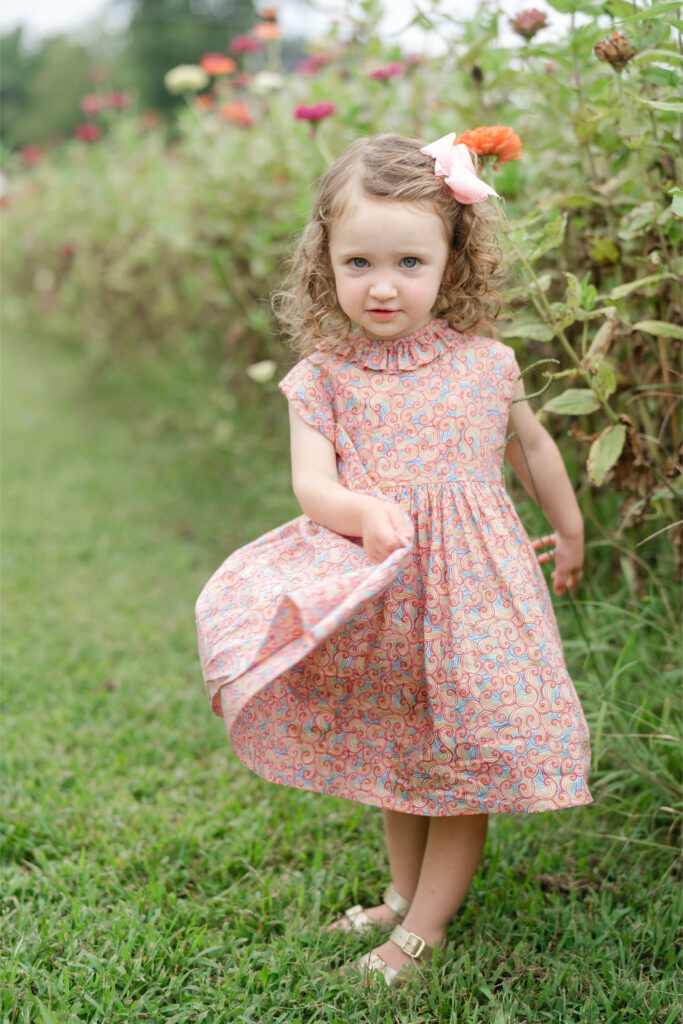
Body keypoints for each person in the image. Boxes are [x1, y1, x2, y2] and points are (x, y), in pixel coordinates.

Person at [195, 132, 592, 988]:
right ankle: (400, 892)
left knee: (457, 763)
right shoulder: (323, 376)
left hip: (476, 597)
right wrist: (361, 509)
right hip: (384, 588)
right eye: (358, 262)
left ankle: (422, 932)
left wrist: (568, 531)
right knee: (398, 746)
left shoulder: (488, 365)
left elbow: (533, 452)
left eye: (409, 261)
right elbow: (313, 486)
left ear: (452, 262)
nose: (382, 286)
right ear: (325, 263)